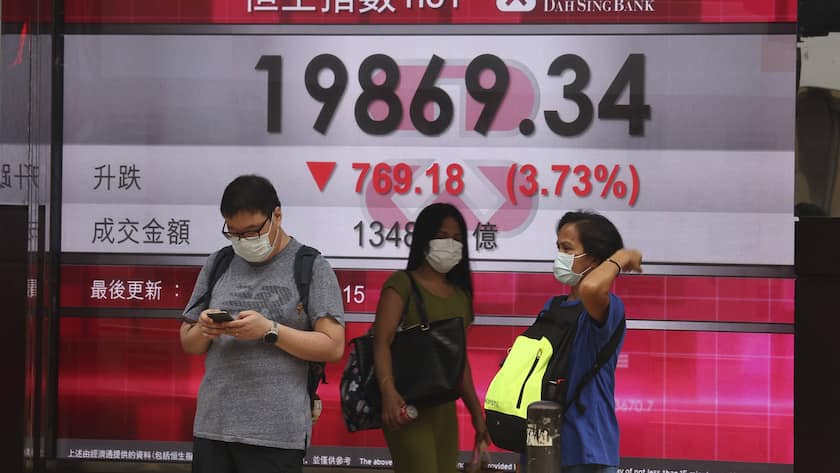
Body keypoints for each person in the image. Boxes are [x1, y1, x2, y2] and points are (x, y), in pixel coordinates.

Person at [178, 174, 345, 473]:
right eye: (234, 233)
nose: (244, 241)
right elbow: (188, 342)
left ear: (276, 216)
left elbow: (332, 346)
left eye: (252, 231)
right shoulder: (219, 262)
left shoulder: (310, 266)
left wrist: (270, 330)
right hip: (213, 427)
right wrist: (206, 327)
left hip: (276, 436)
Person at [372, 203, 490, 473]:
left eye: (457, 239)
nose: (450, 245)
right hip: (407, 406)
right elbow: (382, 342)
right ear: (425, 239)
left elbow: (460, 364)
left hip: (444, 409)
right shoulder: (401, 284)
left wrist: (477, 416)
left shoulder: (461, 297)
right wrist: (389, 392)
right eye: (442, 236)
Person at [528, 210, 642, 473]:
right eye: (558, 247)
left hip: (586, 445)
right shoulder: (553, 306)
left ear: (594, 258)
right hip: (544, 438)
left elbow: (592, 289)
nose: (559, 256)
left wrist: (621, 256)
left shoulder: (609, 307)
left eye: (567, 248)